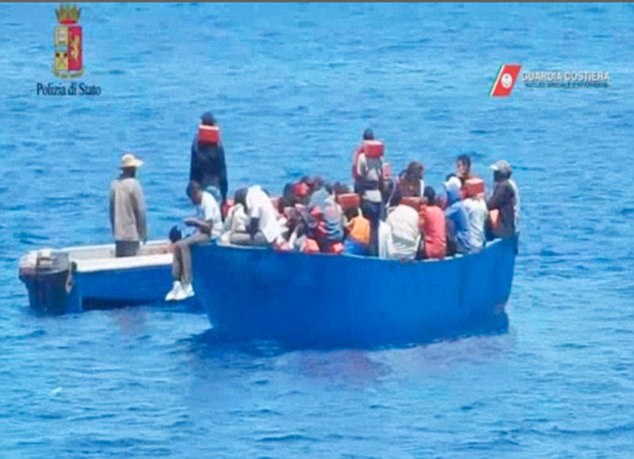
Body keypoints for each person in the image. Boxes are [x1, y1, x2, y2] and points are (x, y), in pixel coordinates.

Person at [165, 181, 222, 301]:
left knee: (184, 245)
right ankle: (177, 282)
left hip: (212, 234)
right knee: (178, 245)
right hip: (202, 232)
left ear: (195, 193)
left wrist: (194, 221)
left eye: (191, 198)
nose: (191, 201)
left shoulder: (207, 202)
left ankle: (187, 283)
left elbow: (208, 227)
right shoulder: (199, 203)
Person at [109, 153, 147, 257]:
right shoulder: (134, 185)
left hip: (118, 234)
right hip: (132, 234)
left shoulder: (114, 185)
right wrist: (143, 233)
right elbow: (140, 211)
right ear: (132, 169)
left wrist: (114, 230)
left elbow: (111, 211)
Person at [354, 132, 385, 257]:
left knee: (367, 227)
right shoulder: (380, 158)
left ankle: (367, 255)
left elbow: (359, 175)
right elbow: (381, 178)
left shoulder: (362, 158)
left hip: (367, 197)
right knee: (375, 229)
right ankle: (376, 254)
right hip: (378, 197)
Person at [189, 112, 228, 207]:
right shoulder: (218, 144)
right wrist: (224, 195)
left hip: (201, 185)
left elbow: (193, 169)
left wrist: (192, 190)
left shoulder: (196, 143)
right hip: (216, 184)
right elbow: (222, 170)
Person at [385, 195, 421, 261]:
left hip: (394, 256)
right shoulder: (415, 214)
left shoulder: (391, 215)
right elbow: (419, 234)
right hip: (411, 255)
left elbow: (386, 235)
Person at [487, 160, 517, 239]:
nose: (494, 174)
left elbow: (490, 205)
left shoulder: (503, 187)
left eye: (496, 172)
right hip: (508, 228)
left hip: (504, 230)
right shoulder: (507, 185)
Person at [444, 176, 472, 255]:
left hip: (462, 243)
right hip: (463, 241)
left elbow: (441, 217)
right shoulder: (459, 205)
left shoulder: (456, 207)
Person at [420, 186, 447, 259]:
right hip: (442, 250)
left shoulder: (425, 211)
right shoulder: (440, 211)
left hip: (429, 251)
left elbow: (419, 228)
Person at [463, 178, 489, 251]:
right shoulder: (483, 203)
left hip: (471, 243)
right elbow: (486, 217)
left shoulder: (466, 204)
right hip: (481, 241)